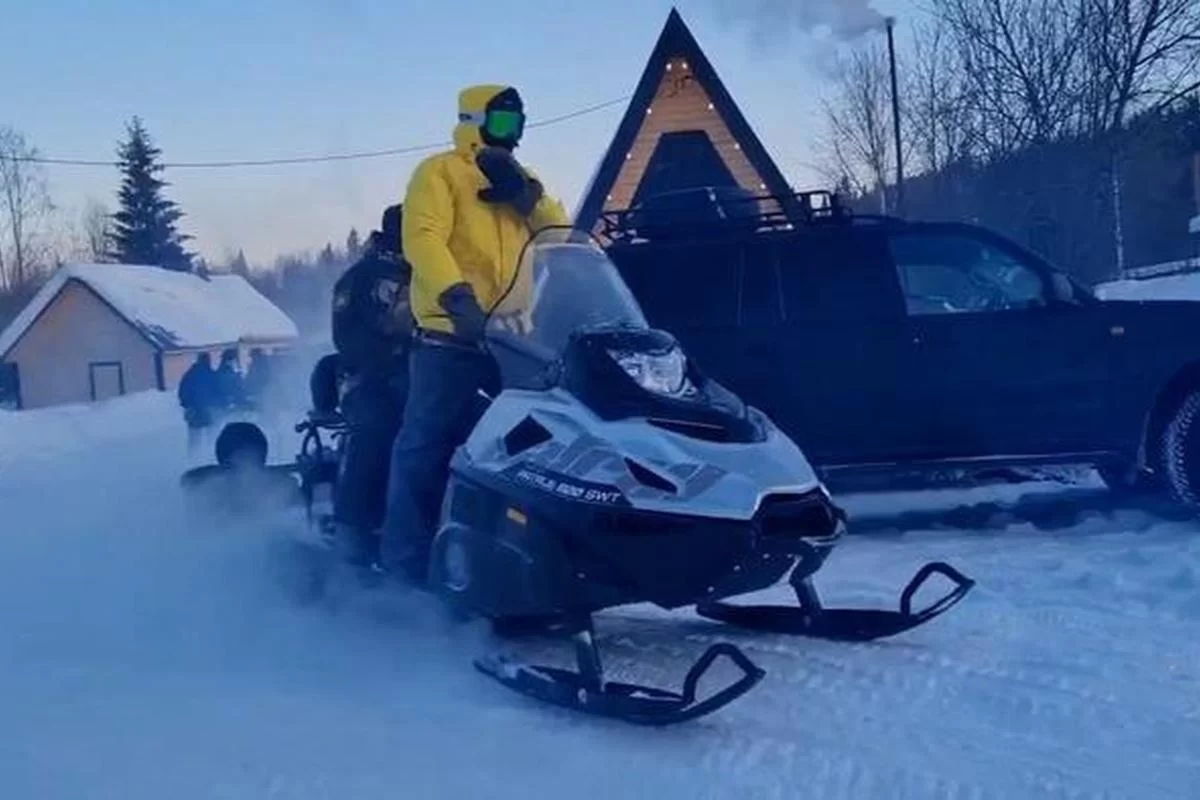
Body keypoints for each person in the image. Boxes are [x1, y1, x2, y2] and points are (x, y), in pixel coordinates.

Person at [379, 84, 569, 584]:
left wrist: (529, 200)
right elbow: (422, 237)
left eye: (519, 125)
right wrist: (455, 296)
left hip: (515, 339)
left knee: (529, 449)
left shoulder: (521, 180)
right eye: (503, 124)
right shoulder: (440, 172)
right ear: (475, 119)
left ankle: (522, 558)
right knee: (427, 444)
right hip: (452, 336)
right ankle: (405, 568)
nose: (512, 136)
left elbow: (563, 239)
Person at [328, 203, 414, 566]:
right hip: (368, 380)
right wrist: (389, 360)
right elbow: (348, 335)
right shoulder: (364, 277)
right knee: (379, 426)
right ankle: (354, 527)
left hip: (433, 371)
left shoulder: (434, 271)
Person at [178, 352, 219, 454]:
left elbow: (182, 391)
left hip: (194, 410)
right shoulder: (212, 374)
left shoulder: (190, 374)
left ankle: (194, 458)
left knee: (195, 438)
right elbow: (218, 391)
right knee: (212, 435)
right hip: (208, 409)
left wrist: (186, 404)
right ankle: (210, 455)